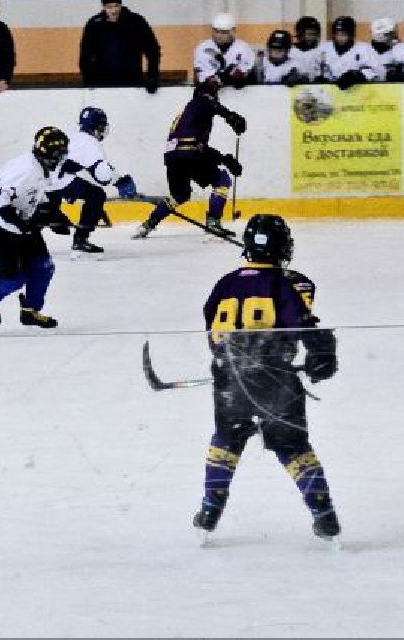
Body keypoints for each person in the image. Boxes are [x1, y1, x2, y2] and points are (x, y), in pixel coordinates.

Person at [194, 213, 340, 543]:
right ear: (283, 247)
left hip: (231, 381)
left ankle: (210, 509)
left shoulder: (224, 283)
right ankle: (324, 514)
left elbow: (212, 330)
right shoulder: (285, 283)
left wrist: (228, 362)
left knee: (226, 440)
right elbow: (302, 325)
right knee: (292, 446)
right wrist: (322, 352)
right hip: (276, 380)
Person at [0, 126, 71, 329]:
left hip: (22, 224)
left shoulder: (43, 168)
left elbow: (38, 196)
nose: (60, 158)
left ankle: (31, 311)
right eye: (57, 154)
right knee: (13, 280)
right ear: (44, 152)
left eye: (63, 153)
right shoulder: (23, 169)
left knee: (43, 266)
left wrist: (55, 217)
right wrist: (22, 225)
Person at [136, 77, 246, 240]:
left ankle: (148, 224)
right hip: (188, 154)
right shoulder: (201, 102)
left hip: (173, 156)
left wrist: (223, 159)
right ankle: (213, 222)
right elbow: (196, 147)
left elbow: (199, 147)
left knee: (180, 195)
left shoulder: (190, 115)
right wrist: (230, 116)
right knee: (222, 180)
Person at [54, 106, 141, 256]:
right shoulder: (90, 143)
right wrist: (122, 182)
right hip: (59, 180)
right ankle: (81, 239)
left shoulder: (73, 137)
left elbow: (91, 167)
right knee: (96, 195)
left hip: (46, 180)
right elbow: (103, 175)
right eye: (101, 126)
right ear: (96, 127)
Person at [78, 0, 161, 92]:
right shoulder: (94, 24)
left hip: (132, 83)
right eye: (109, 7)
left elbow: (152, 49)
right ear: (103, 6)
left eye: (116, 6)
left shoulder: (136, 22)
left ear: (121, 4)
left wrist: (152, 75)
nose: (113, 10)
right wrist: (88, 80)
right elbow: (85, 54)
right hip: (102, 84)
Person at [318, 15, 384, 89]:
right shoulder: (323, 48)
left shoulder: (364, 49)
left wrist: (357, 75)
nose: (340, 38)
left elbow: (379, 72)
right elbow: (315, 69)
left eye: (344, 34)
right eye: (337, 34)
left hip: (358, 93)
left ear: (351, 34)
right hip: (330, 93)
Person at [194, 13, 255, 89]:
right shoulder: (203, 48)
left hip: (238, 95)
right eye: (216, 31)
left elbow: (244, 76)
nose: (218, 36)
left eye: (223, 32)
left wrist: (231, 76)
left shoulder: (244, 48)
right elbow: (200, 77)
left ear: (233, 31)